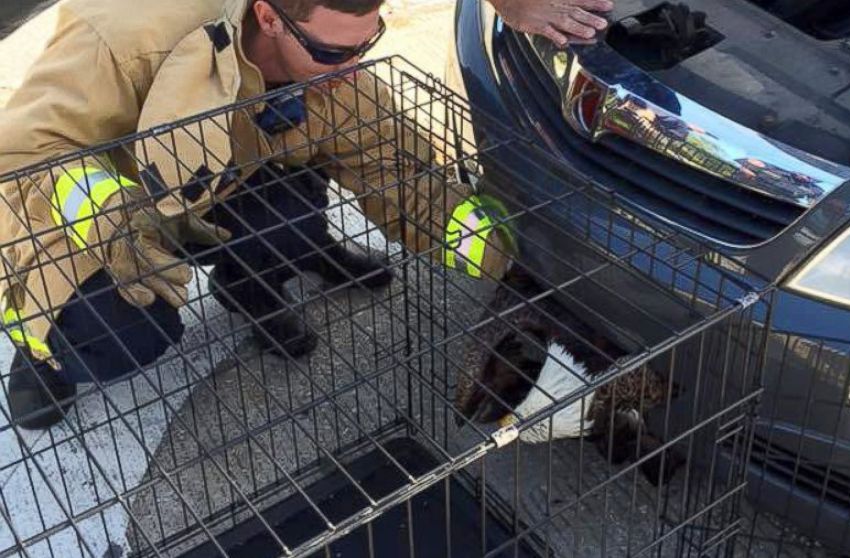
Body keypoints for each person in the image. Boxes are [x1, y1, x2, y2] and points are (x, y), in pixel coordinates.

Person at [0, 0, 614, 430]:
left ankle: (254, 284)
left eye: (365, 45)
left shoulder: (335, 71)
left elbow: (406, 185)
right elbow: (20, 157)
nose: (350, 69)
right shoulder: (126, 34)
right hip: (113, 219)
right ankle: (40, 358)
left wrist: (526, 262)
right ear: (268, 16)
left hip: (209, 193)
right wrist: (109, 211)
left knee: (292, 206)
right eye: (331, 51)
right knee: (124, 336)